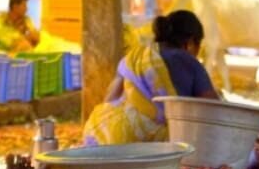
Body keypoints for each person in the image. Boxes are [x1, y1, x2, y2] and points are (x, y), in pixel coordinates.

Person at [81, 10, 220, 146]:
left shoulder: (135, 56)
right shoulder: (190, 62)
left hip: (104, 134)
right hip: (147, 145)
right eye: (198, 46)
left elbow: (109, 99)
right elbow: (214, 110)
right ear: (190, 43)